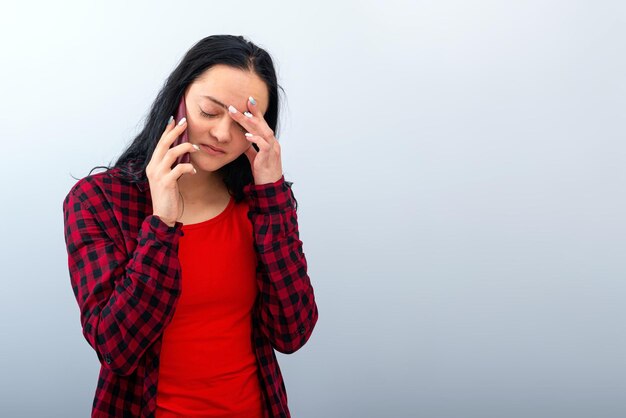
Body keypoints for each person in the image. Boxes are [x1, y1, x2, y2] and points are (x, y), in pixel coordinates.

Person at [62, 34, 318, 418]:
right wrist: (162, 226)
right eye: (210, 112)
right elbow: (116, 348)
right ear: (177, 99)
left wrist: (273, 195)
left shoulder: (260, 205)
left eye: (242, 122)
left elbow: (292, 332)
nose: (222, 135)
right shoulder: (98, 201)